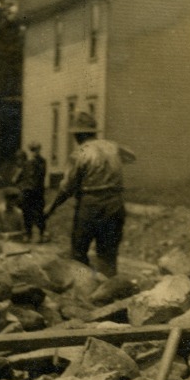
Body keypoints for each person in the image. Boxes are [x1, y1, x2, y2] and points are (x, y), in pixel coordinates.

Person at [44, 111, 135, 276]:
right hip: (115, 204)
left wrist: (51, 208)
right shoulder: (112, 146)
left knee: (79, 251)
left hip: (91, 205)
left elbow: (67, 188)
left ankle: (83, 290)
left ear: (78, 135)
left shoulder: (80, 153)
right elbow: (131, 156)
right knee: (108, 254)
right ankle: (108, 289)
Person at [16, 142, 47, 242]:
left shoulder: (42, 162)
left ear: (39, 150)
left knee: (39, 213)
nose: (35, 152)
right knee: (27, 212)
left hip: (38, 191)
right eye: (32, 150)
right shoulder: (27, 163)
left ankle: (41, 235)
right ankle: (28, 234)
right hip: (27, 191)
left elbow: (40, 176)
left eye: (36, 150)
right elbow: (20, 177)